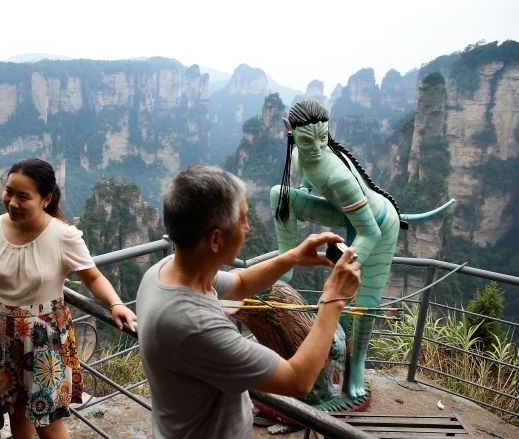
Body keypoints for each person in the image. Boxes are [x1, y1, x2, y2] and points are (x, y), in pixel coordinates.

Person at [136, 165, 361, 439]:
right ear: (216, 239)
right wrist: (334, 299)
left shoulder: (167, 270)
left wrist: (291, 257)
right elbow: (298, 380)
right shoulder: (195, 326)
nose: (248, 227)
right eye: (242, 220)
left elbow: (241, 284)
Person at [0, 158, 137, 439]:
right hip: (4, 333)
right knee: (16, 409)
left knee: (48, 420)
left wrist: (116, 303)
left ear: (46, 199)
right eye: (9, 192)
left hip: (47, 336)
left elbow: (92, 276)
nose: (12, 202)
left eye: (23, 197)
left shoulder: (62, 235)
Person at [270, 100, 401, 398]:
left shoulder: (338, 176)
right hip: (345, 211)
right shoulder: (298, 155)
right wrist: (300, 195)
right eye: (306, 141)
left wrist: (342, 274)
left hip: (379, 222)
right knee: (279, 195)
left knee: (365, 303)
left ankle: (357, 365)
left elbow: (370, 231)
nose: (316, 147)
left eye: (323, 138)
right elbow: (305, 184)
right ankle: (285, 267)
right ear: (290, 134)